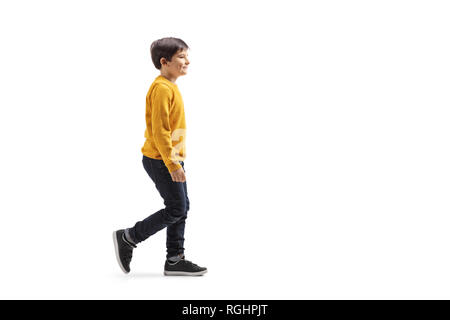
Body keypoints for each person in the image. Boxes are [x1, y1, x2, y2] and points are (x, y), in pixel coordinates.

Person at [113, 37, 207, 276]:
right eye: (182, 57)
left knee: (181, 207)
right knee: (177, 208)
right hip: (161, 159)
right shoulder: (162, 89)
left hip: (170, 158)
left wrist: (176, 160)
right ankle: (129, 237)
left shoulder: (170, 87)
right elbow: (160, 131)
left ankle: (174, 259)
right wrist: (173, 164)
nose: (187, 61)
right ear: (164, 62)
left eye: (187, 55)